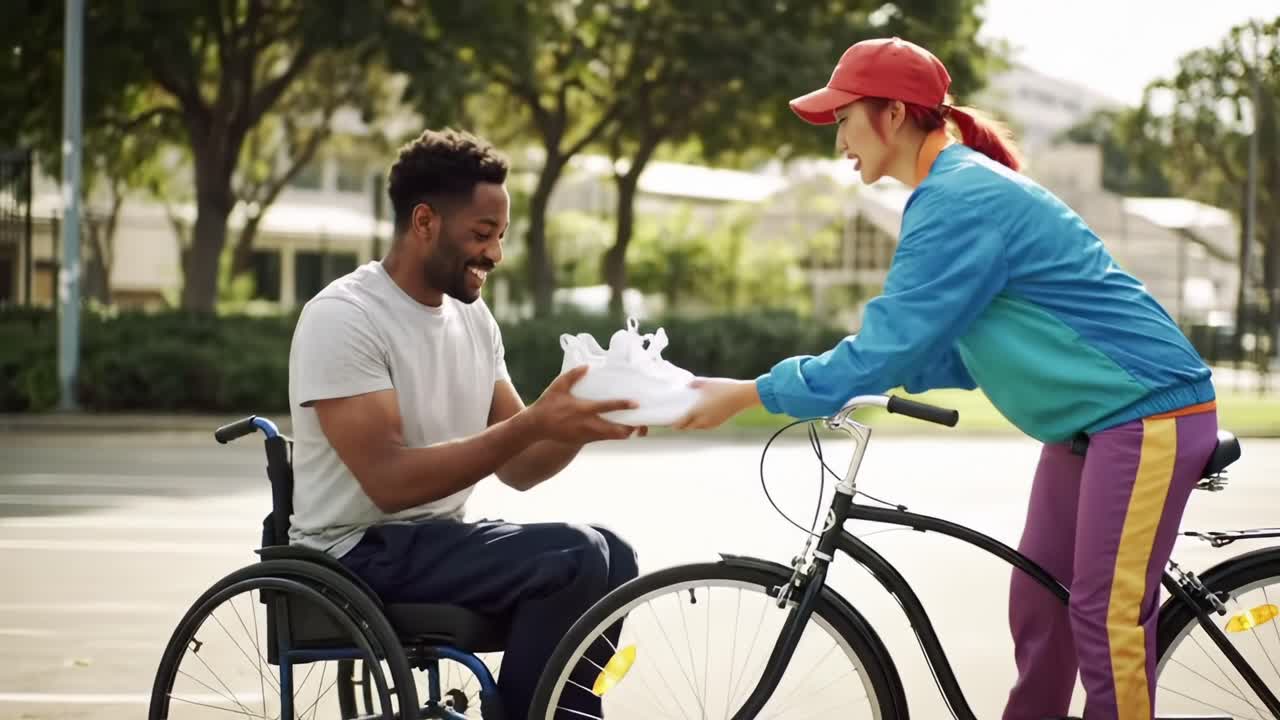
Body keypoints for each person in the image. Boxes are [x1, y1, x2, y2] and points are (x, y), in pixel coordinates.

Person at [674, 37, 1218, 720]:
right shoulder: (952, 191)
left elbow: (887, 346)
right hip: (1091, 421)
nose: (838, 137)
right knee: (1042, 600)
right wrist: (863, 377)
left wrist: (751, 393)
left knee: (1106, 620)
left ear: (893, 115)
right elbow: (950, 349)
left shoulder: (959, 198)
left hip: (1148, 412)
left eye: (843, 116)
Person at [286, 128, 643, 717]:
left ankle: (562, 713)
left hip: (432, 543)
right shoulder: (345, 317)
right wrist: (538, 421)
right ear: (424, 222)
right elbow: (390, 482)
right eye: (482, 235)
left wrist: (581, 423)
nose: (496, 255)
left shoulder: (474, 322)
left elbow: (522, 468)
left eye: (501, 236)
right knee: (574, 555)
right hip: (355, 553)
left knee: (615, 555)